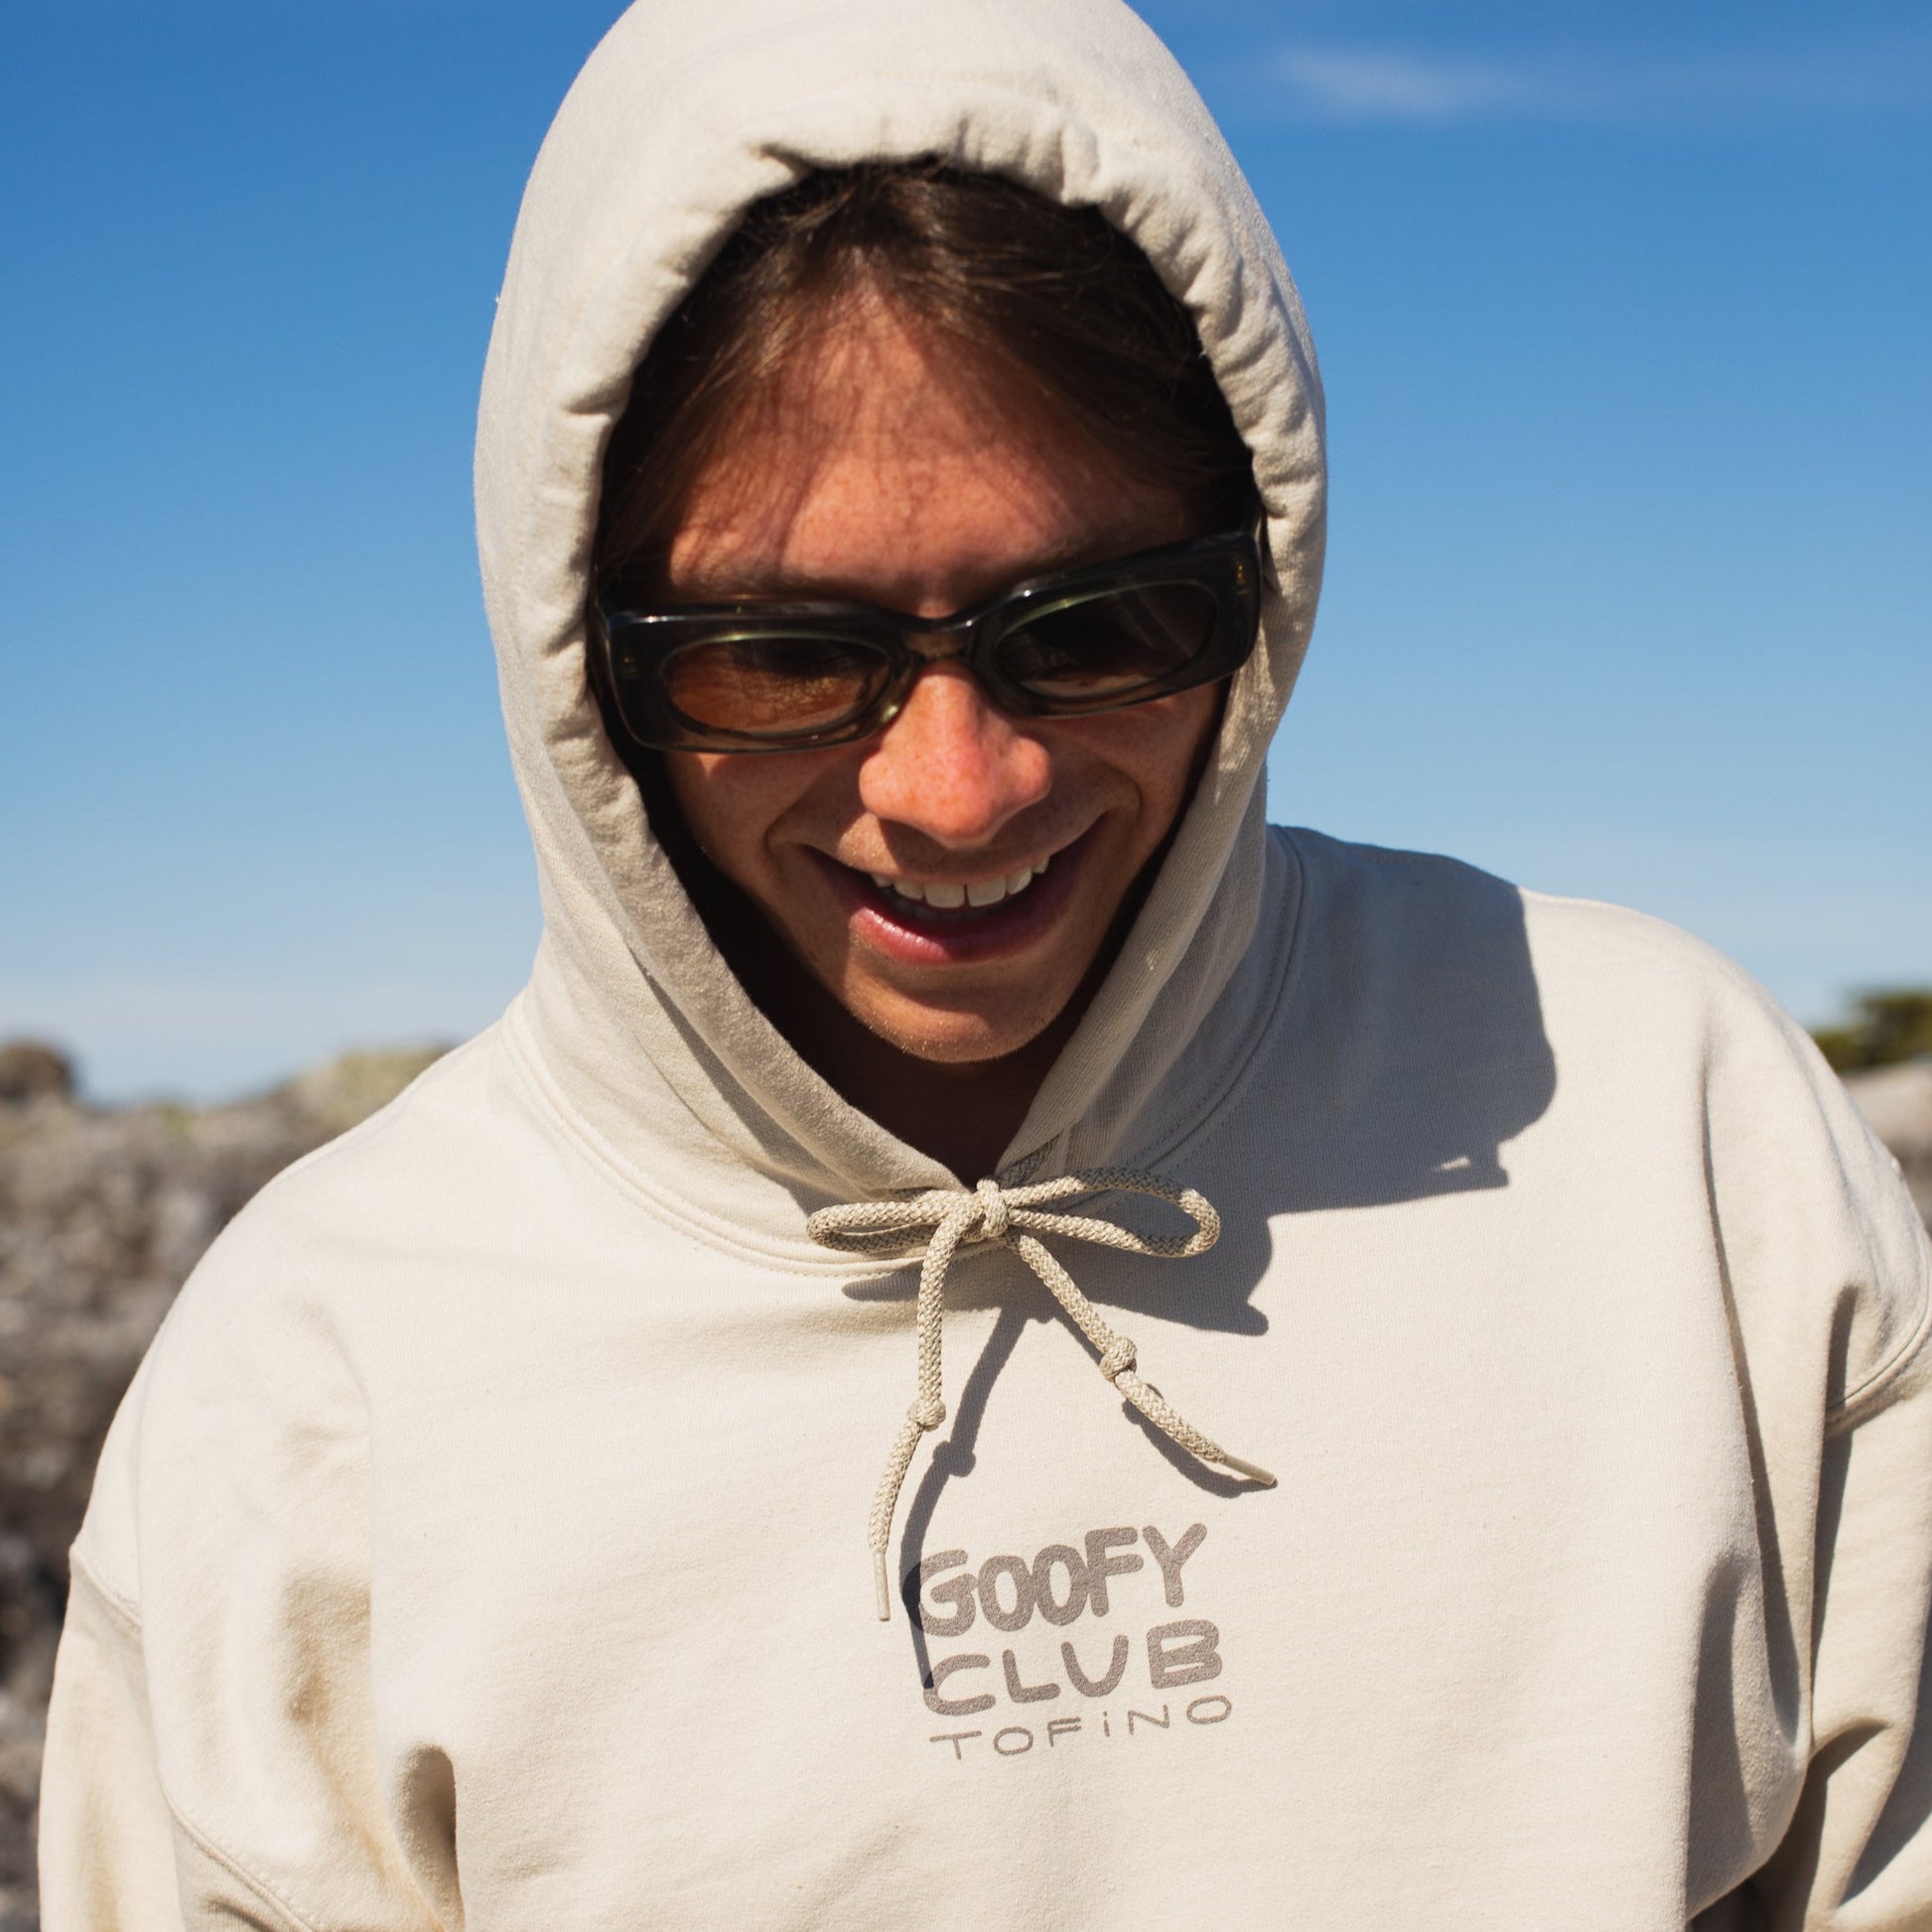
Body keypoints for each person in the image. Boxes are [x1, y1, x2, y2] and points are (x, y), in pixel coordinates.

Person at [38, 0, 1932, 1925]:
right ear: (577, 669)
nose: (956, 792)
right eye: (781, 656)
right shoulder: (321, 1388)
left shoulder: (1667, 1133)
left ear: (1261, 572)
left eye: (1097, 624)